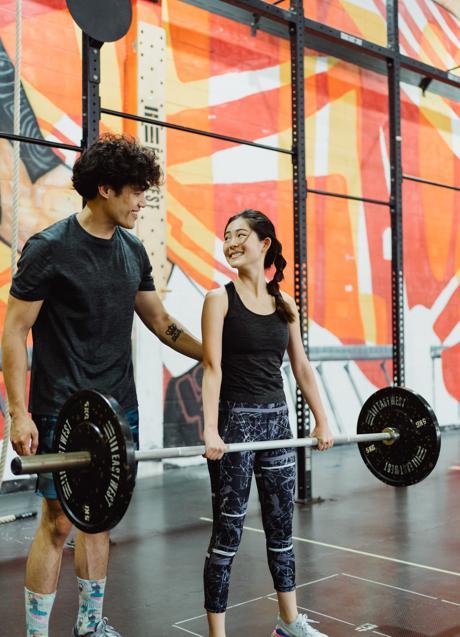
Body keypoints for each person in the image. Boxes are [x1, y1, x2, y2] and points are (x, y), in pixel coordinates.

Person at [2, 133, 202, 637]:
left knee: (99, 518)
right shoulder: (49, 248)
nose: (142, 202)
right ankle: (36, 632)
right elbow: (15, 330)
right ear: (105, 189)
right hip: (59, 408)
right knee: (58, 522)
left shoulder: (133, 252)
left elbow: (160, 321)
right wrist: (18, 413)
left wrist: (215, 354)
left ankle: (90, 625)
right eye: (136, 191)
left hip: (115, 409)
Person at [201, 209, 333, 637]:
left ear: (264, 244)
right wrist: (209, 429)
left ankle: (288, 623)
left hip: (278, 423)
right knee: (228, 534)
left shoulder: (285, 304)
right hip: (234, 425)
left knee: (282, 528)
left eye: (241, 235)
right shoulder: (218, 299)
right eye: (227, 236)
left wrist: (321, 420)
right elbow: (212, 369)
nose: (232, 242)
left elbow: (301, 367)